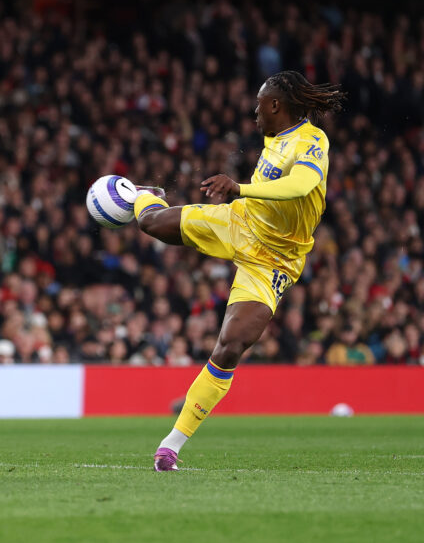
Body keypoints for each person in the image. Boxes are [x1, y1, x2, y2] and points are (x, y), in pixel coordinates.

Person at [132, 70, 344, 471]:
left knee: (232, 344)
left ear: (277, 105)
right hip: (241, 223)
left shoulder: (312, 141)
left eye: (260, 104)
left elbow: (300, 185)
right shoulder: (272, 140)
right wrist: (239, 198)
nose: (254, 111)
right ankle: (139, 195)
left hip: (275, 260)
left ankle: (170, 446)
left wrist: (240, 188)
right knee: (150, 223)